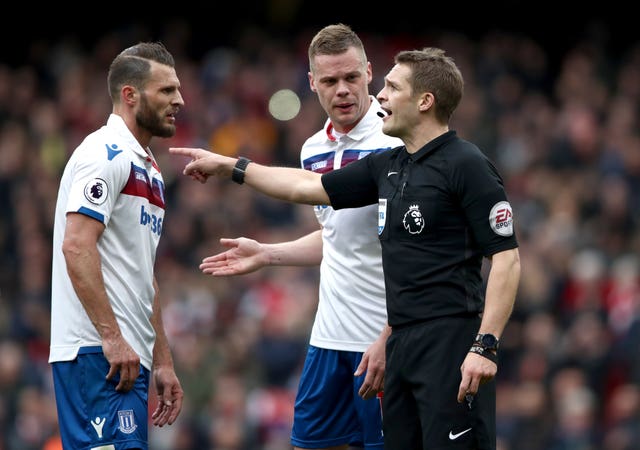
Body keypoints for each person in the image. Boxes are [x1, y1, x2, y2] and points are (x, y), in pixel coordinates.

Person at [171, 46, 521, 449]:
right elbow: (309, 188)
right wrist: (231, 167)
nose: (381, 97)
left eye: (390, 87)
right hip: (398, 343)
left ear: (424, 101)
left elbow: (506, 259)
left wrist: (486, 345)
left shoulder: (467, 164)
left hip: (448, 343)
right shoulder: (389, 166)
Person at [197, 24, 402, 450]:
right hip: (328, 338)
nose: (342, 90)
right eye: (329, 81)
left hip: (383, 340)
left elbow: (416, 250)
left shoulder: (396, 141)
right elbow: (336, 237)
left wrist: (390, 334)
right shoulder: (312, 149)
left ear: (369, 72)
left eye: (351, 77)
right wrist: (268, 254)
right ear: (312, 83)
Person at [49, 41, 184, 450]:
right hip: (96, 354)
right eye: (166, 91)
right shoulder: (102, 155)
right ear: (130, 95)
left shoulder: (150, 169)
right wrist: (111, 337)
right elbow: (76, 247)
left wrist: (161, 357)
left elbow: (144, 275)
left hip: (127, 356)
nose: (180, 100)